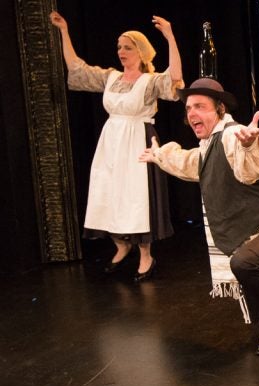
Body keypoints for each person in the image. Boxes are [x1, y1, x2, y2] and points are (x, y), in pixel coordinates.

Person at [139, 78, 259, 355]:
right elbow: (192, 163)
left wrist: (250, 145)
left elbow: (250, 168)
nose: (192, 113)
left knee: (244, 262)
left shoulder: (232, 136)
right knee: (257, 256)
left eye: (200, 107)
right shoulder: (209, 143)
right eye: (189, 108)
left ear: (219, 109)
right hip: (258, 226)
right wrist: (160, 155)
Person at [50, 11, 183, 282]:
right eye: (119, 47)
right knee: (108, 193)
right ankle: (121, 245)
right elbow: (76, 68)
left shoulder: (149, 81)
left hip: (138, 139)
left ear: (141, 52)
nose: (121, 51)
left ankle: (146, 256)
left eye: (127, 47)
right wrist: (64, 31)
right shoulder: (110, 77)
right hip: (111, 142)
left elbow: (175, 78)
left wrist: (169, 36)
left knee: (137, 197)